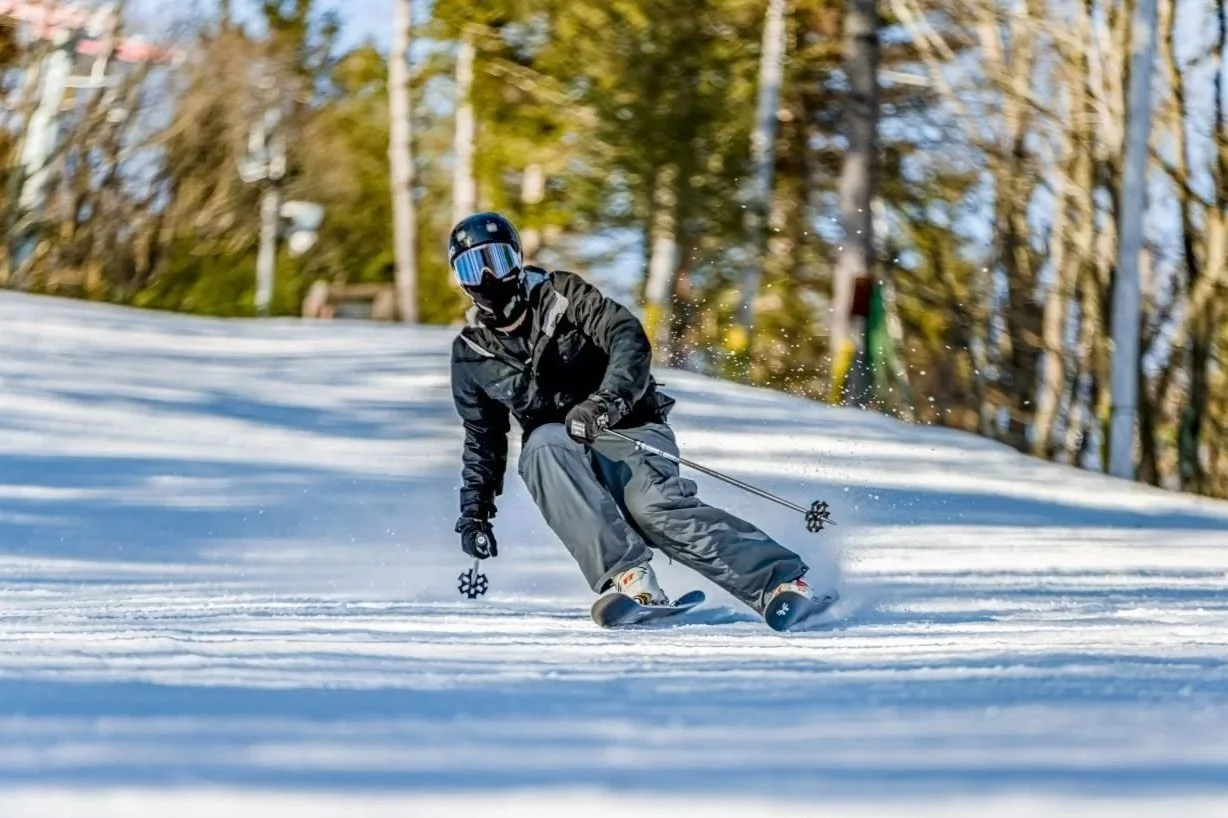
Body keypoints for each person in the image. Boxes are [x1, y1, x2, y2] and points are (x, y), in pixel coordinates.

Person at [448, 211, 814, 615]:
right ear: (461, 281)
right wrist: (475, 514)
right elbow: (483, 437)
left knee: (652, 510)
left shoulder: (563, 296)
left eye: (496, 261)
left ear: (516, 261)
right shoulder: (471, 354)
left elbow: (627, 336)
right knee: (541, 444)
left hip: (628, 425)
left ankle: (779, 582)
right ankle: (631, 581)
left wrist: (608, 401)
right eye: (470, 267)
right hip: (563, 448)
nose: (486, 277)